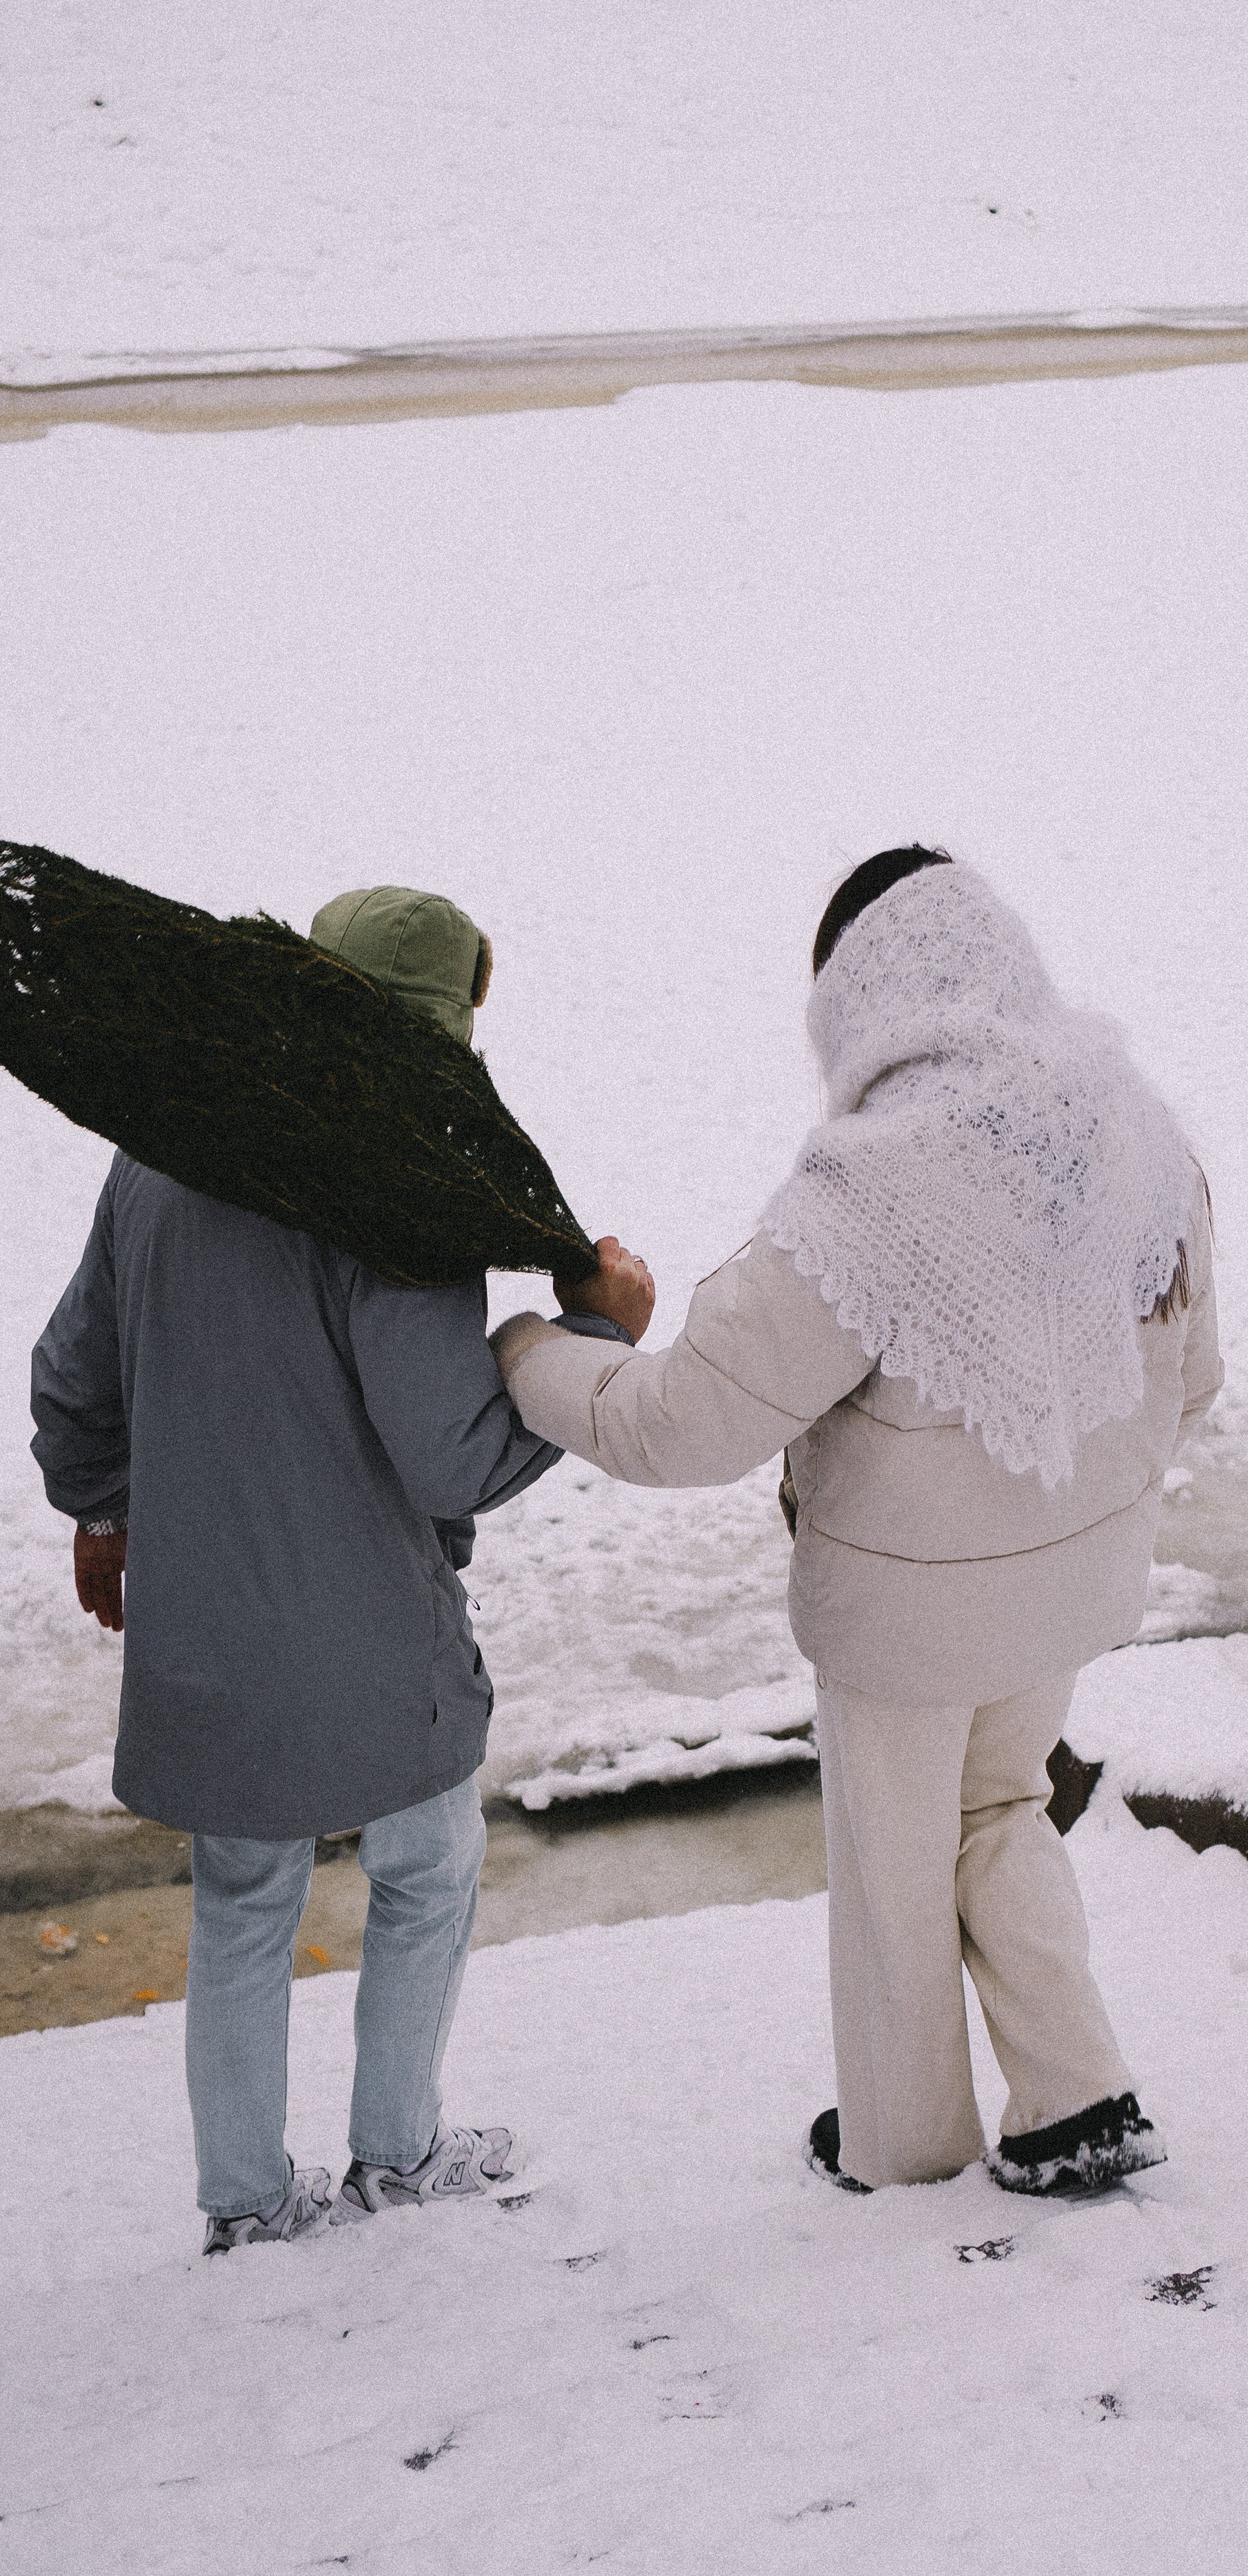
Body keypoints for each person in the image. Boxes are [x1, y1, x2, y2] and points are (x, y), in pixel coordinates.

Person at [491, 849, 1222, 2195]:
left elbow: (681, 1426)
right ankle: (1075, 2096)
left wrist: (530, 1351)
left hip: (899, 1615)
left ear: (860, 998)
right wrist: (1063, 1493)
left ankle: (904, 2146)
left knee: (895, 1861)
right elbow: (1193, 1377)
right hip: (1070, 1580)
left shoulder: (870, 1189)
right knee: (1004, 1806)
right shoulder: (1136, 1134)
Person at [30, 885, 627, 2254]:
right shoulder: (394, 1189)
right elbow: (453, 1462)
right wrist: (594, 1333)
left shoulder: (160, 1153)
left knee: (244, 1903)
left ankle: (246, 2205)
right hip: (371, 1642)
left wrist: (102, 1510)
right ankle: (399, 2154)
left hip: (204, 1635)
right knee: (428, 1865)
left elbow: (73, 1375)